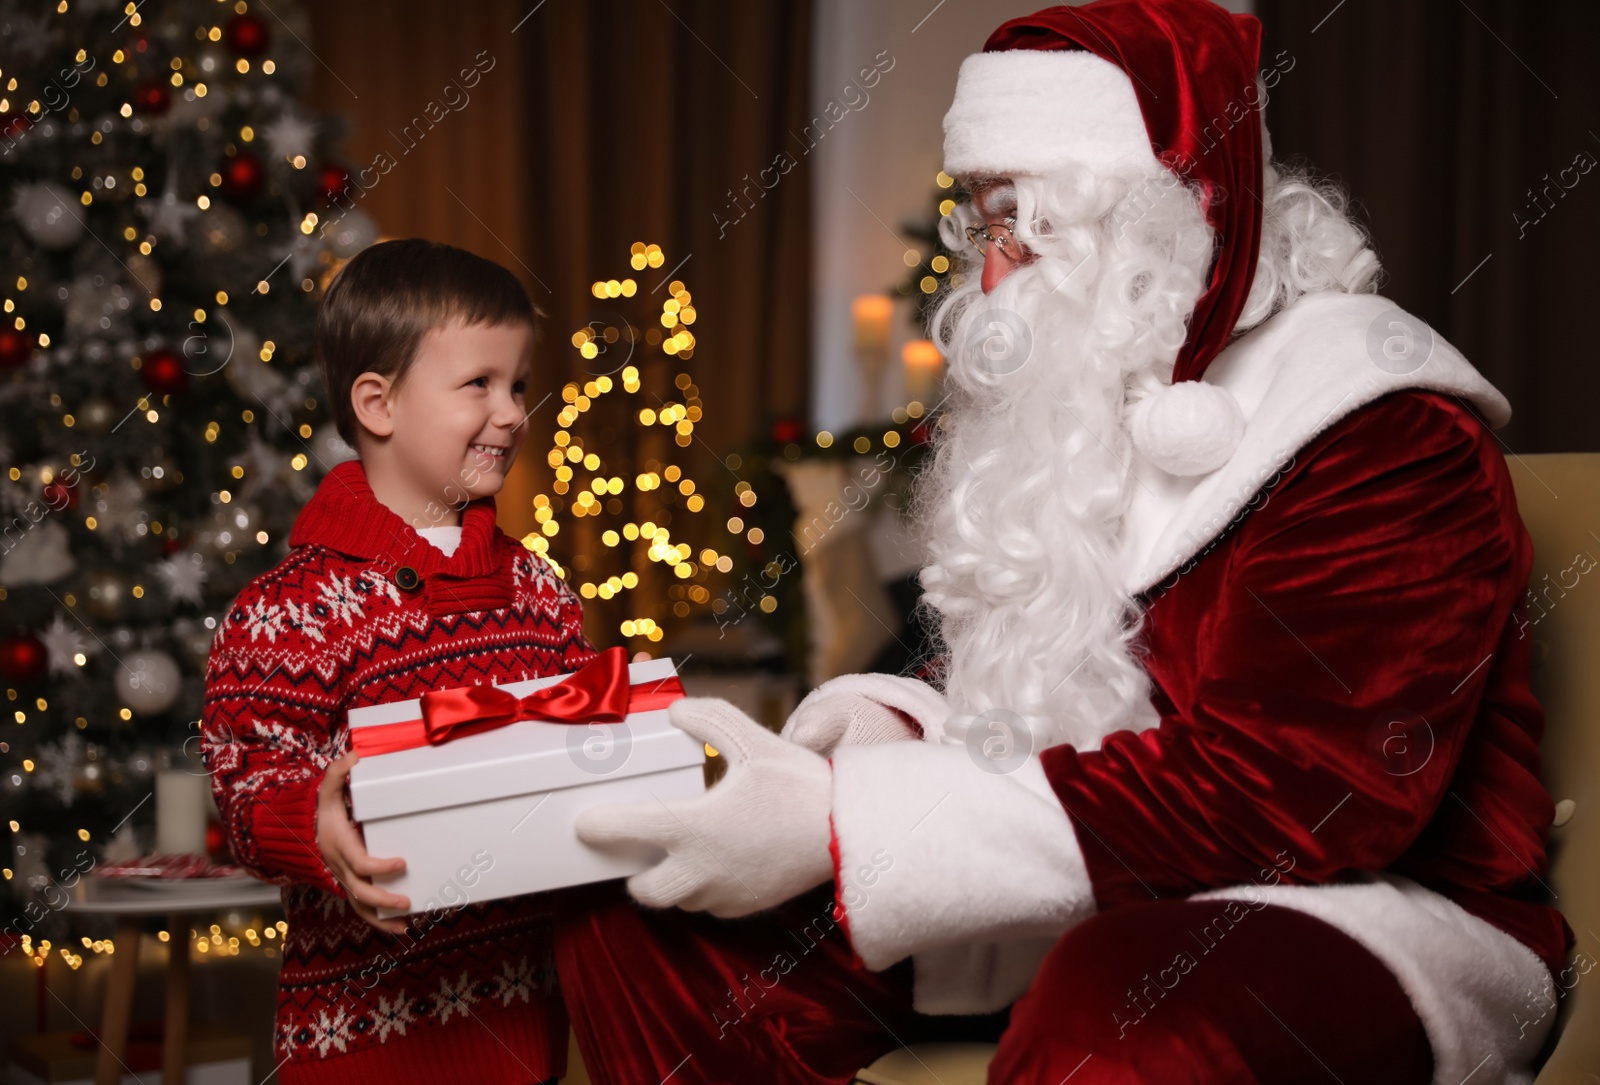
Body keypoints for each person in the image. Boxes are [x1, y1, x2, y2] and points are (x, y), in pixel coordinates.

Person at [562, 2, 1573, 1083]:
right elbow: (1039, 693)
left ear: (1154, 220)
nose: (989, 279)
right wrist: (881, 729)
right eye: (980, 226)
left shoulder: (1382, 428)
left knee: (1123, 1013)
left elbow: (1301, 798)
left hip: (1376, 910)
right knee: (657, 937)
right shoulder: (1099, 393)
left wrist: (836, 823)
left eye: (1019, 226)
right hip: (1104, 875)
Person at [201, 239, 593, 1085]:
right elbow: (242, 780)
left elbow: (580, 747)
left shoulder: (538, 589)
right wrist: (311, 820)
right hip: (360, 1047)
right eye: (478, 384)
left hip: (526, 1033)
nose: (512, 410)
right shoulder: (289, 608)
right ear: (377, 403)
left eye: (518, 384)